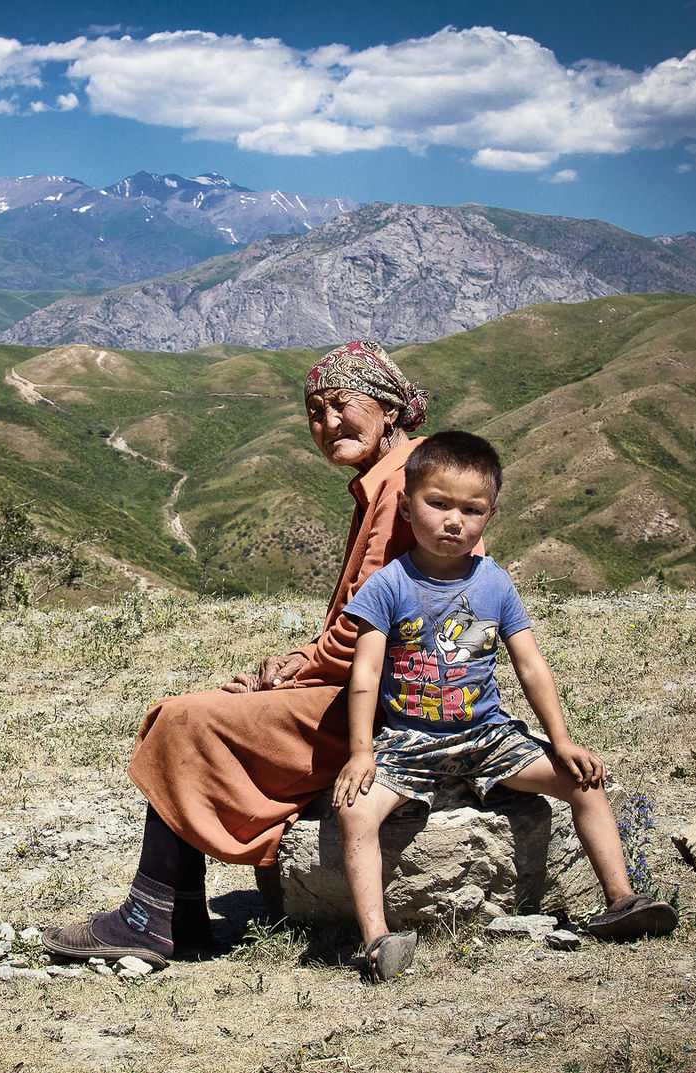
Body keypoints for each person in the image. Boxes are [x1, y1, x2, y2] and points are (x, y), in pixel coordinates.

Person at [41, 340, 435, 968]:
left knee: (185, 719)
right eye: (315, 412)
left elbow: (370, 631)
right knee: (188, 713)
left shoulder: (401, 489)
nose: (328, 424)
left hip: (377, 702)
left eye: (342, 405)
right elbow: (364, 618)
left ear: (387, 408)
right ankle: (182, 917)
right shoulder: (394, 479)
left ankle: (151, 919)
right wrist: (299, 662)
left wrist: (293, 672)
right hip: (376, 686)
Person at [331, 430, 677, 982]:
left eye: (472, 510)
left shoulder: (494, 582)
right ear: (404, 503)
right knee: (354, 812)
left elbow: (531, 665)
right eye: (437, 503)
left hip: (488, 736)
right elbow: (365, 673)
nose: (453, 521)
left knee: (582, 780)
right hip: (409, 744)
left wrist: (561, 741)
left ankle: (621, 900)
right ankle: (376, 940)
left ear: (490, 515)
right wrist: (360, 751)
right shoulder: (387, 585)